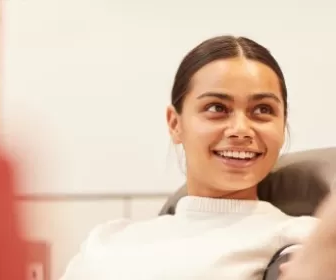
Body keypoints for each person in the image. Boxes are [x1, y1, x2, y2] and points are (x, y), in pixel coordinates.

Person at [59, 35, 322, 279]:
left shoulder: (305, 240)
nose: (241, 129)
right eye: (217, 108)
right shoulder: (105, 241)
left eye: (262, 109)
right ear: (175, 124)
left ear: (282, 123)